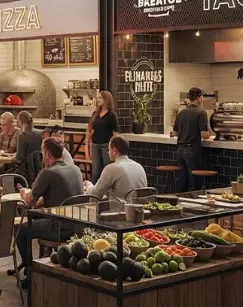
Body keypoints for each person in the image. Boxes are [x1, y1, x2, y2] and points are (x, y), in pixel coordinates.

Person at [16, 138, 82, 287]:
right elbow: (63, 196)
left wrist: (22, 192)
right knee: (35, 218)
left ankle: (30, 272)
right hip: (79, 226)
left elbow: (30, 201)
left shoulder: (48, 172)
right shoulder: (75, 169)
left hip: (58, 227)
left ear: (47, 154)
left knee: (20, 230)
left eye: (42, 151)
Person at [84, 136, 148, 200]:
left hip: (121, 208)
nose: (108, 152)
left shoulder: (111, 169)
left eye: (109, 150)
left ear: (114, 151)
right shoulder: (139, 166)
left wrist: (88, 185)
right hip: (141, 208)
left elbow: (95, 194)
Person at [173, 87, 210, 192]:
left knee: (182, 182)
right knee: (194, 183)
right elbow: (204, 135)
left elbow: (175, 133)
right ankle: (192, 205)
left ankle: (179, 204)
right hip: (192, 151)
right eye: (202, 97)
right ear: (199, 98)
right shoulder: (201, 112)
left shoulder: (181, 113)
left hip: (180, 150)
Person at [86, 90, 119, 183]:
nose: (97, 99)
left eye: (100, 97)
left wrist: (113, 147)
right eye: (97, 97)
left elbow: (116, 133)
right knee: (95, 171)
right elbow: (89, 129)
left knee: (107, 170)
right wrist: (88, 144)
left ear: (106, 100)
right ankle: (92, 192)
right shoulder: (95, 114)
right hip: (95, 145)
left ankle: (107, 192)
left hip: (106, 145)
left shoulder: (112, 115)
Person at [12, 111, 42, 176]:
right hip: (38, 169)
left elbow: (19, 158)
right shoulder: (40, 133)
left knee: (2, 172)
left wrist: (13, 158)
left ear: (20, 121)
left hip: (25, 171)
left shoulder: (22, 135)